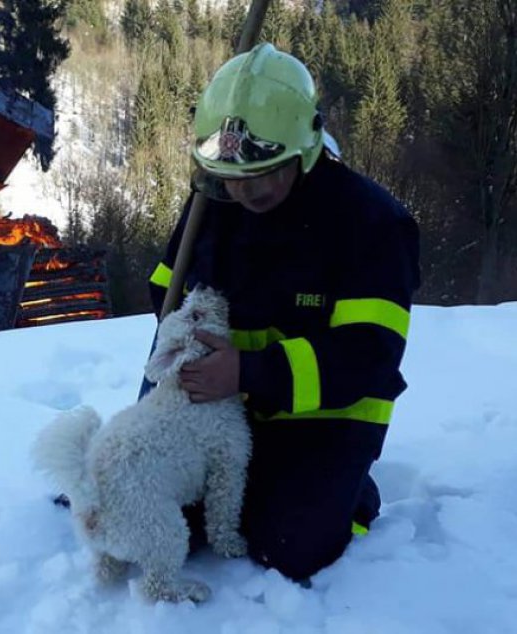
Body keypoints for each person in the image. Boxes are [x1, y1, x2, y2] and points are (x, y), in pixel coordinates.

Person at [145, 43, 421, 582]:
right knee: (165, 512)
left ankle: (352, 493)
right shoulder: (215, 201)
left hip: (325, 413)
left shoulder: (372, 224)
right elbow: (165, 289)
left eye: (264, 170)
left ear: (306, 146)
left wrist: (248, 371)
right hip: (220, 399)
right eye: (229, 173)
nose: (245, 188)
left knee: (286, 548)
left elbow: (369, 356)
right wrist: (193, 341)